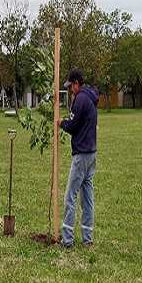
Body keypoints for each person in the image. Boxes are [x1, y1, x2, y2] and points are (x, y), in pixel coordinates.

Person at [57, 68, 99, 248]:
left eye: (70, 86)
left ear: (76, 83)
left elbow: (73, 125)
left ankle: (67, 239)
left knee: (70, 196)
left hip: (81, 155)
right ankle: (87, 238)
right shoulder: (90, 97)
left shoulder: (80, 99)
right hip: (91, 153)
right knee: (87, 197)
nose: (69, 90)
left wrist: (62, 123)